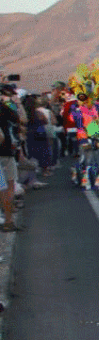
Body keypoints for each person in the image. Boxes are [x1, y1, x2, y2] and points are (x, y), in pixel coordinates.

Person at [0, 85, 20, 231]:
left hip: (6, 150)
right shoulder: (4, 107)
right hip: (5, 151)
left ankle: (8, 220)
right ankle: (8, 220)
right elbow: (19, 119)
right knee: (6, 187)